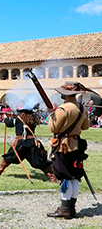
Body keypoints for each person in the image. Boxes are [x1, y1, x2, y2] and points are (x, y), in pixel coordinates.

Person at [46, 81, 94, 219]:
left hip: (64, 146)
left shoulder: (63, 108)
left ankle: (64, 209)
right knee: (73, 177)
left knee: (66, 177)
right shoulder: (82, 108)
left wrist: (51, 115)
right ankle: (70, 208)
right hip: (76, 145)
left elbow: (53, 128)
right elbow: (85, 127)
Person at [0, 108, 56, 182]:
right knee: (38, 161)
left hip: (20, 143)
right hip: (32, 143)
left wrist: (5, 118)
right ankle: (51, 176)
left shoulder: (18, 119)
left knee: (9, 157)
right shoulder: (33, 119)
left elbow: (9, 123)